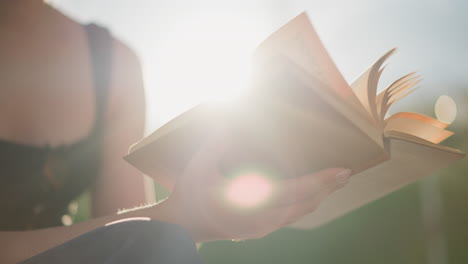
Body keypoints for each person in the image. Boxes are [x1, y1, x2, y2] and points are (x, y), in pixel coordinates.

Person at [0, 1, 353, 263]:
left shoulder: (112, 63)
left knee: (163, 244)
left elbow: (132, 239)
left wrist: (199, 215)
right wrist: (178, 217)